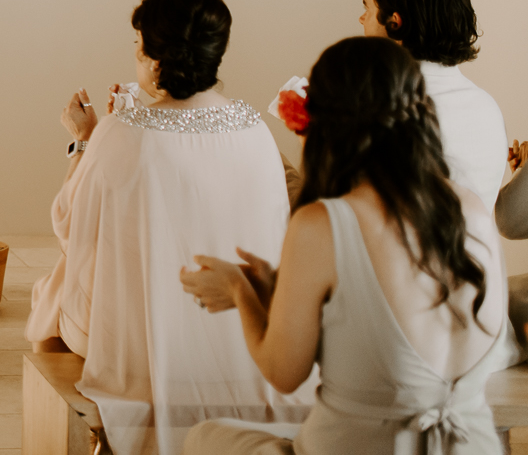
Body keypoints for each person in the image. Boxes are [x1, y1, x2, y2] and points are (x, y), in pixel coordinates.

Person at [181, 36, 511, 454]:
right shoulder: (473, 210)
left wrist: (239, 291)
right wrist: (277, 291)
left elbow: (284, 372)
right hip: (474, 446)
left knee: (204, 437)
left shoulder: (323, 223)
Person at [27, 0, 307, 455]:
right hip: (247, 330)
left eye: (138, 44)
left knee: (52, 290)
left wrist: (85, 141)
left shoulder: (120, 132)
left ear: (153, 58)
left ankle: (82, 439)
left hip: (144, 346)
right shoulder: (255, 128)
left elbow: (69, 225)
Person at [360, 0, 506, 207]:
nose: (361, 19)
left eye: (367, 9)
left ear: (395, 23)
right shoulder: (487, 107)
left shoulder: (384, 111)